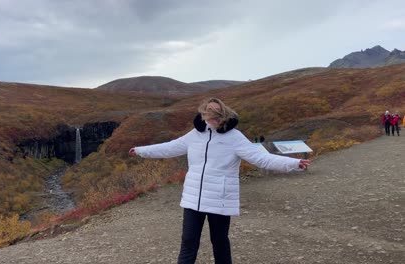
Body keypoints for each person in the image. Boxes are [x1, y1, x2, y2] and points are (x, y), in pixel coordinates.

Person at [129, 98, 311, 264]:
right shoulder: (195, 135)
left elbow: (260, 158)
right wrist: (140, 150)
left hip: (220, 199)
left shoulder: (235, 138)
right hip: (193, 199)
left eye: (217, 113)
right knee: (188, 242)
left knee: (220, 242)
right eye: (209, 112)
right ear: (204, 113)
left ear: (224, 114)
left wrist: (293, 163)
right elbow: (169, 148)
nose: (213, 117)